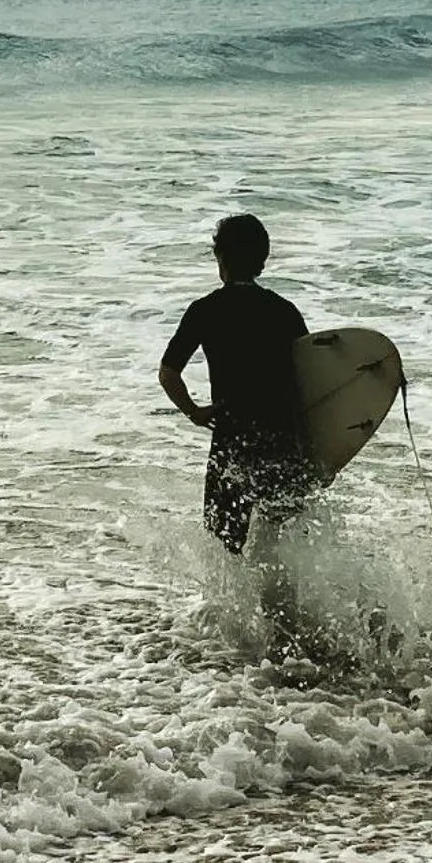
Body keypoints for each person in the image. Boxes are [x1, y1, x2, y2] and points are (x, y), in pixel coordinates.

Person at [159, 215, 317, 636]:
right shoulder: (284, 311)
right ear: (262, 263)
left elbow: (168, 373)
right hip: (282, 440)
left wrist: (194, 411)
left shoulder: (205, 310)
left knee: (226, 542)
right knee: (281, 539)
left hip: (232, 442)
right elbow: (312, 378)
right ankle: (286, 625)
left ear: (220, 260)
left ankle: (236, 629)